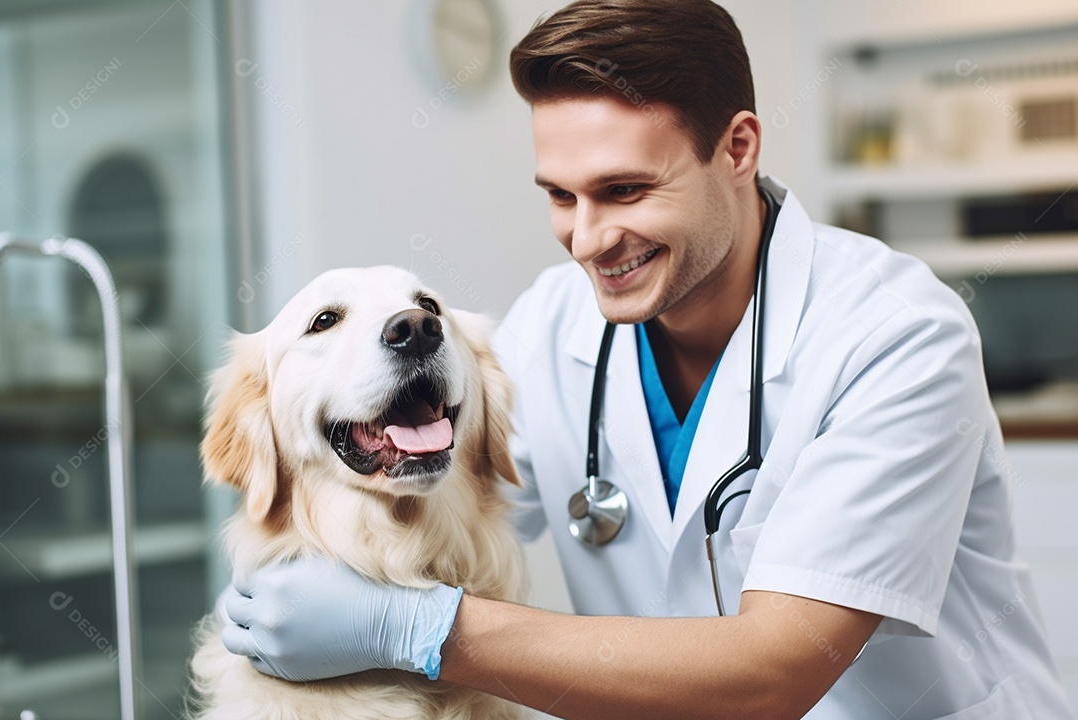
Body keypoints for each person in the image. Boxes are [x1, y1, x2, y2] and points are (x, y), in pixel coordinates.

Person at [220, 1, 1075, 718]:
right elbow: (444, 510)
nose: (586, 240)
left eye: (625, 191)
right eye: (561, 195)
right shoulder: (550, 328)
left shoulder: (894, 334)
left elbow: (777, 670)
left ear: (738, 148)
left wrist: (418, 631)